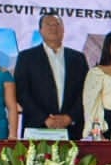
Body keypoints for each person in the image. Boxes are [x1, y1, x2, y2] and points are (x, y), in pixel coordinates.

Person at [14, 11, 89, 139]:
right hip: (37, 128)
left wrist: (69, 117)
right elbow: (22, 92)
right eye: (48, 24)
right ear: (40, 30)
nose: (53, 27)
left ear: (63, 29)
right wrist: (44, 118)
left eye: (57, 24)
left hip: (71, 129)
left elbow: (86, 92)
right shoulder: (26, 57)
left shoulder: (78, 58)